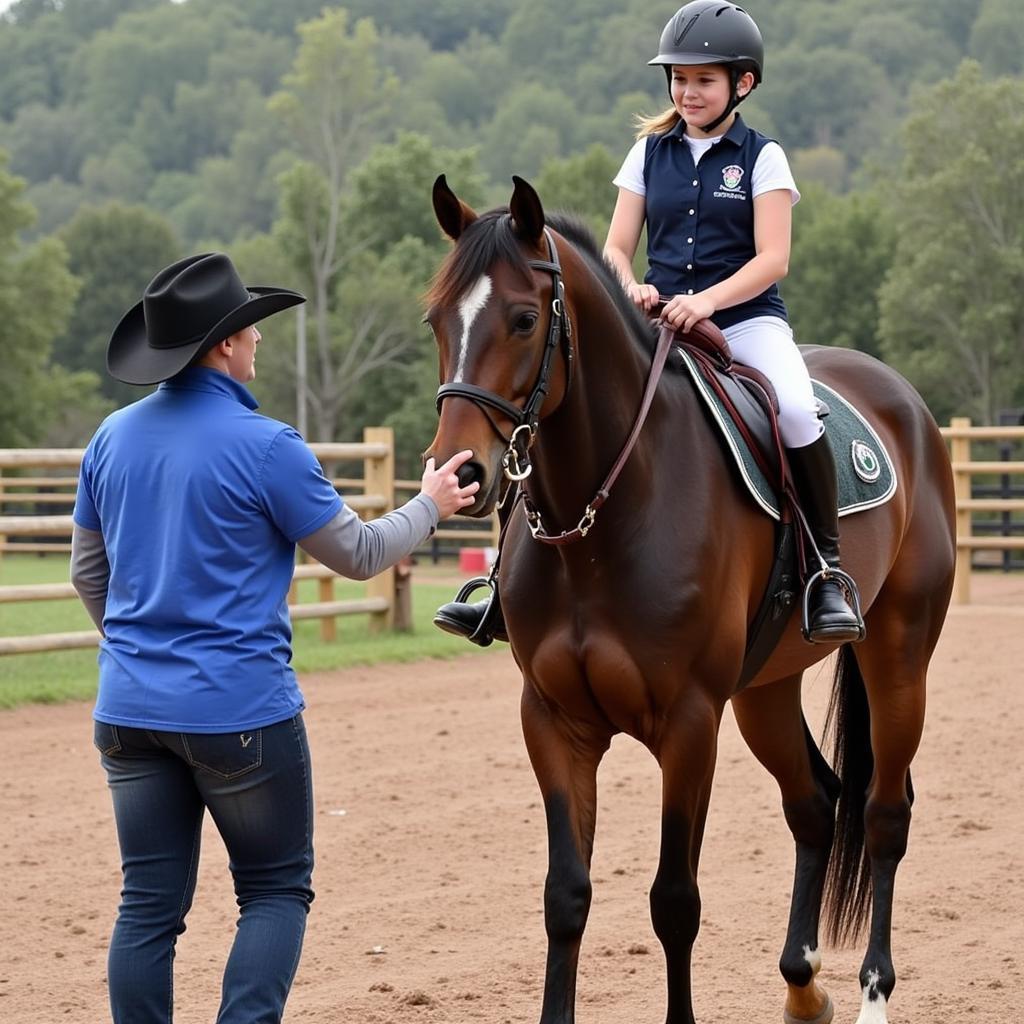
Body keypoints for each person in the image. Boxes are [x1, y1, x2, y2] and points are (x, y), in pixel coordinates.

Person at [71, 251, 478, 1024]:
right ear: (224, 345)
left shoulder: (110, 438)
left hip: (127, 708)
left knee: (148, 907)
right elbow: (358, 555)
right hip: (241, 714)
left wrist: (139, 654)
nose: (260, 341)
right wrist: (429, 505)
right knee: (273, 889)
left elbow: (89, 575)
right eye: (251, 330)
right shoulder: (268, 446)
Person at [436, 0, 862, 647]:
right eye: (680, 79)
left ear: (741, 84)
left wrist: (709, 301)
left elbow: (774, 257)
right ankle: (501, 583)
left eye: (703, 80)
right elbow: (615, 246)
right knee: (552, 415)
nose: (688, 92)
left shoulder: (762, 157)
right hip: (655, 321)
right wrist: (627, 284)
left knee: (799, 413)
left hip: (744, 322)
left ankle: (824, 571)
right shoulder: (647, 154)